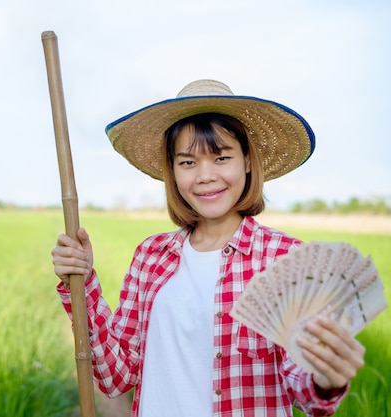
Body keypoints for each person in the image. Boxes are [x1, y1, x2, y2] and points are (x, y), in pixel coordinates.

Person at [51, 79, 365, 417]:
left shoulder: (286, 259)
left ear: (247, 160)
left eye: (221, 158)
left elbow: (304, 388)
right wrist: (81, 282)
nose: (204, 176)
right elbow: (116, 376)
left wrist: (325, 378)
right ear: (172, 171)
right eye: (187, 162)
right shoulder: (150, 256)